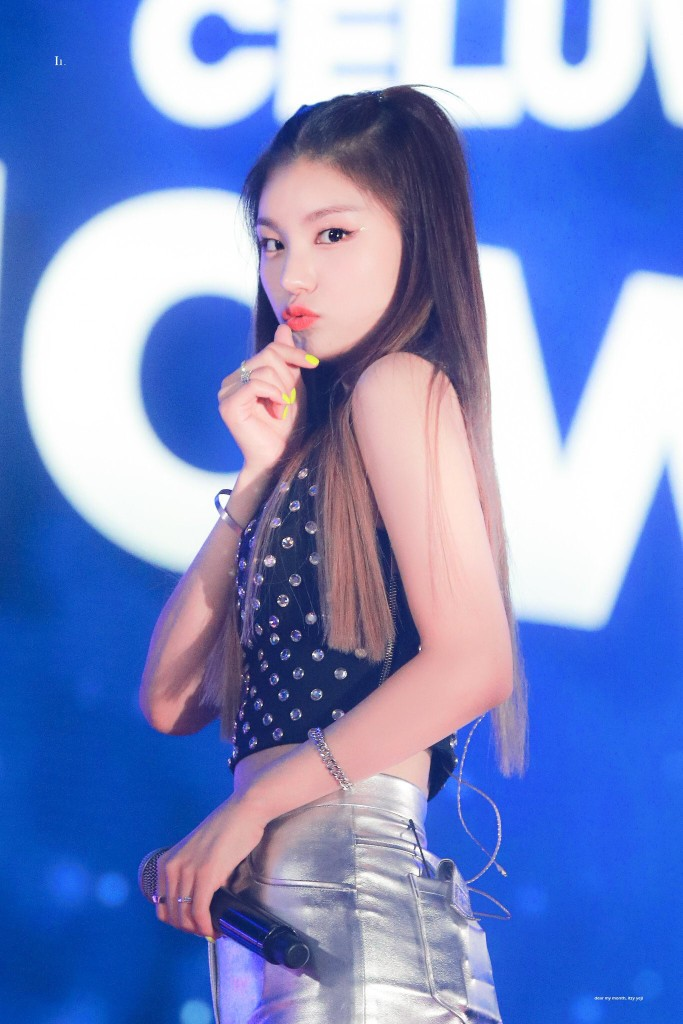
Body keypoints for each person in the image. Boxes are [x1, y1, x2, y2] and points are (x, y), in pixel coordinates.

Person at [140, 85, 529, 1024]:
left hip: (346, 898)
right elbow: (170, 701)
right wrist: (256, 476)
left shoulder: (397, 383)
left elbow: (474, 661)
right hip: (289, 915)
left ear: (415, 236)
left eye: (333, 234)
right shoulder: (321, 440)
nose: (293, 276)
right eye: (272, 242)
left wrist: (249, 809)